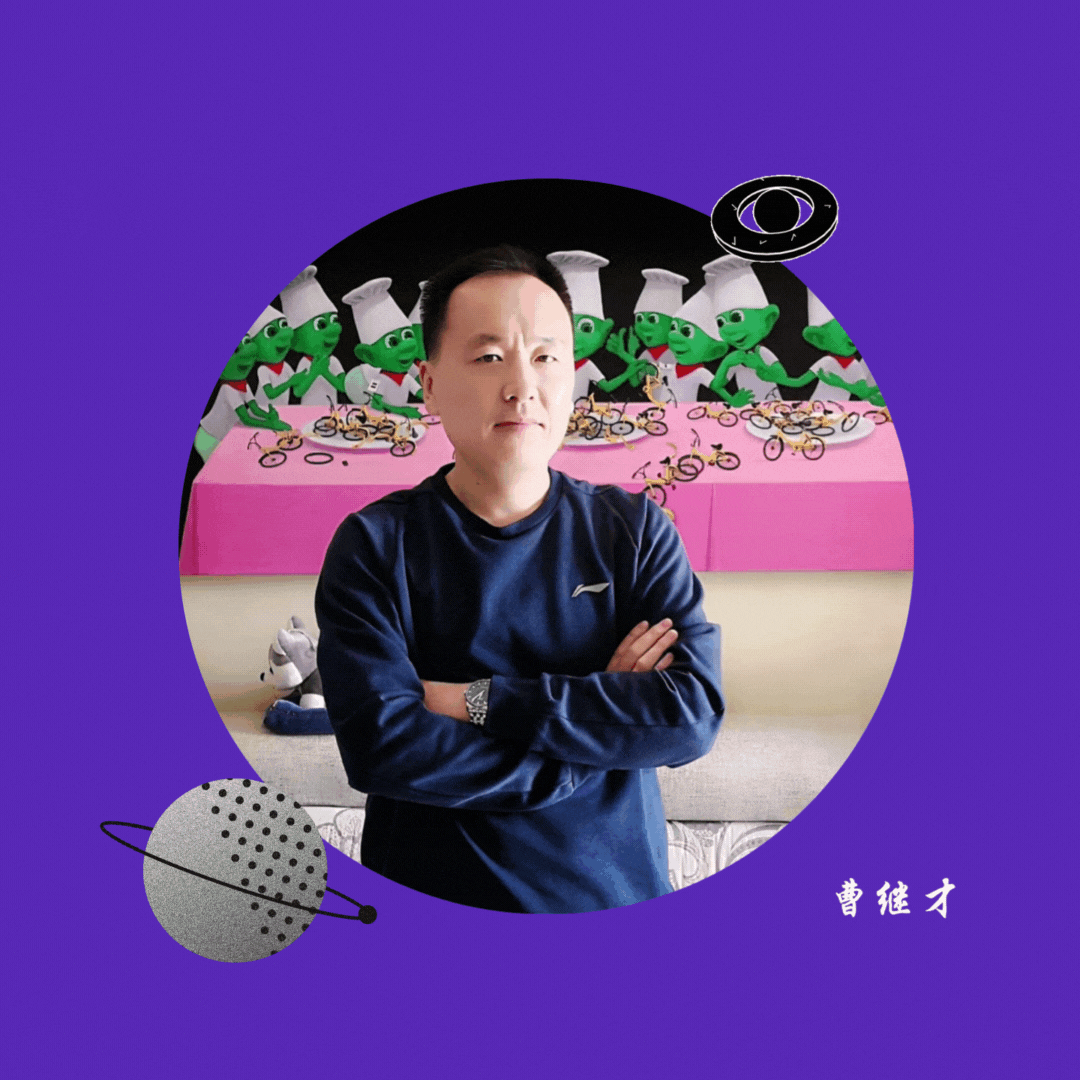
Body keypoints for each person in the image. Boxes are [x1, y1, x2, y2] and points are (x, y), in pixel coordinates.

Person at [315, 245, 724, 913]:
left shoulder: (634, 532)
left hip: (611, 903)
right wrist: (592, 737)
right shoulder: (374, 545)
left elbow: (689, 715)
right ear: (429, 383)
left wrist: (476, 701)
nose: (522, 386)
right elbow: (382, 749)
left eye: (545, 357)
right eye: (488, 357)